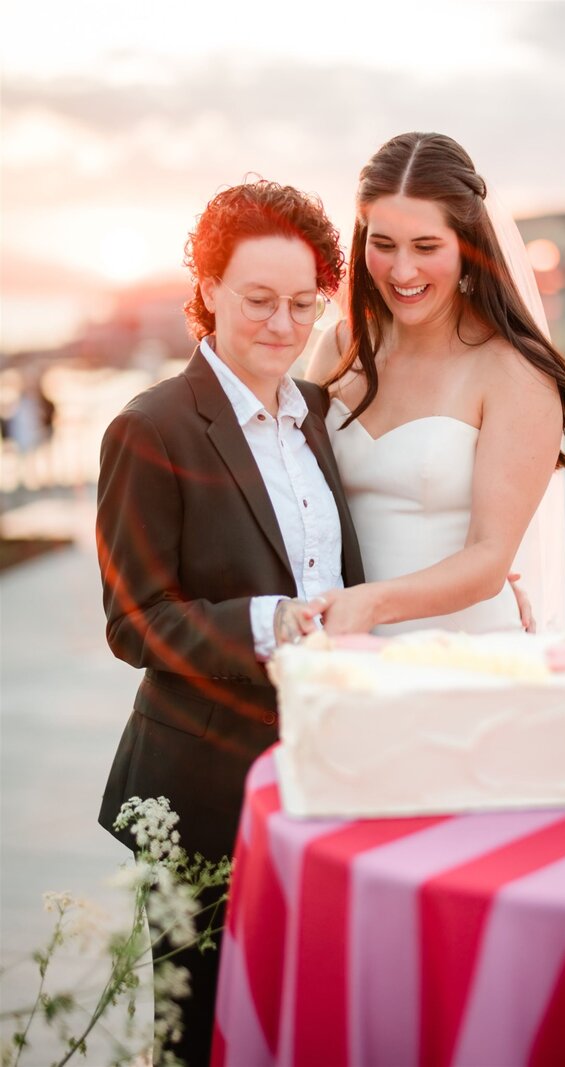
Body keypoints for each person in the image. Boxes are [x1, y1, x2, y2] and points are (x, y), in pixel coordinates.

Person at [95, 179, 363, 1066]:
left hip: (319, 772)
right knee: (193, 1033)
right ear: (208, 289)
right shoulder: (150, 428)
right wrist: (270, 623)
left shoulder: (320, 415)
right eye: (259, 300)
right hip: (198, 783)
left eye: (303, 303)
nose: (284, 325)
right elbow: (135, 618)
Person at [306, 131, 565, 637]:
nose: (402, 269)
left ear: (467, 248)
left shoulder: (516, 373)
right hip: (346, 650)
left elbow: (488, 557)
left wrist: (368, 605)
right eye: (384, 244)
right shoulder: (338, 348)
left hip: (463, 651)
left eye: (426, 246)